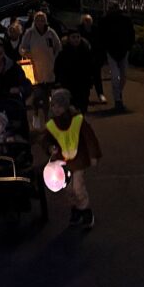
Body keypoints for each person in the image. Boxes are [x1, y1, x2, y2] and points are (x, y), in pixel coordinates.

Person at [42, 88, 101, 230]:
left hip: (78, 160)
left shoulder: (77, 120)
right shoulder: (52, 124)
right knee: (68, 189)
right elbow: (46, 139)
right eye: (54, 105)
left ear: (65, 106)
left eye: (59, 105)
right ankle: (76, 211)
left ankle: (86, 212)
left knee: (78, 187)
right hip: (62, 163)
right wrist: (50, 148)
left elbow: (90, 138)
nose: (56, 108)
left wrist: (93, 155)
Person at [20, 11, 62, 129]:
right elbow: (22, 48)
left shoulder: (51, 33)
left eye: (42, 20)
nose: (40, 22)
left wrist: (54, 58)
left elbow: (58, 46)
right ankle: (36, 115)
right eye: (38, 20)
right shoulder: (30, 33)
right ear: (34, 21)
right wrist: (27, 53)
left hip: (49, 69)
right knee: (37, 96)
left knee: (47, 96)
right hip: (35, 70)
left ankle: (47, 119)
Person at [101, 3, 135, 112]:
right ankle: (117, 99)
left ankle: (118, 93)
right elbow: (102, 36)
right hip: (111, 51)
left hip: (123, 50)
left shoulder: (125, 20)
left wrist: (129, 46)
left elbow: (131, 33)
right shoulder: (105, 20)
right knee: (115, 76)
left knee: (123, 76)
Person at [54, 28, 96, 113]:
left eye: (78, 37)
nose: (76, 39)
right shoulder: (63, 53)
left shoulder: (85, 51)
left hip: (83, 85)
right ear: (69, 38)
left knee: (83, 108)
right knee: (71, 109)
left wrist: (90, 80)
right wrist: (59, 81)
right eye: (73, 37)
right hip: (69, 85)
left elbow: (91, 67)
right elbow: (57, 67)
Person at [78, 13, 108, 105]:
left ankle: (100, 94)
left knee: (97, 77)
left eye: (89, 20)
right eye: (86, 21)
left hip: (95, 58)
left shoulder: (96, 31)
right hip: (83, 59)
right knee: (84, 79)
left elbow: (101, 44)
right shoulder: (79, 31)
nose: (88, 22)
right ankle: (84, 96)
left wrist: (102, 58)